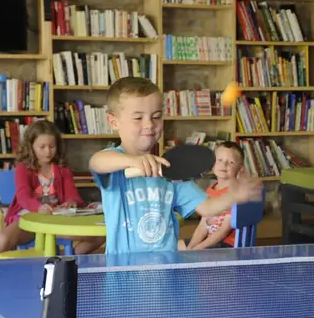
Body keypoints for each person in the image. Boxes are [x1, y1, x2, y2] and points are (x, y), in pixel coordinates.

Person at [89, 77, 260, 254]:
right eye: (138, 117)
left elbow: (206, 207)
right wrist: (132, 161)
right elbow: (97, 162)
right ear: (113, 122)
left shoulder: (171, 171)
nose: (149, 124)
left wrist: (234, 196)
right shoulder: (114, 167)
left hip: (165, 266)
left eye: (156, 116)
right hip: (123, 270)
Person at [0, 120, 98, 256]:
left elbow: (73, 196)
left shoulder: (63, 169)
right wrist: (38, 208)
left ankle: (68, 259)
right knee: (1, 241)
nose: (48, 152)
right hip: (29, 220)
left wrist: (71, 202)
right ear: (31, 147)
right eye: (42, 147)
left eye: (52, 146)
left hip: (57, 221)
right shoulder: (23, 168)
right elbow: (23, 197)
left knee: (101, 235)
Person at [183, 141, 247, 250]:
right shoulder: (210, 191)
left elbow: (224, 230)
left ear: (240, 168)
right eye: (219, 160)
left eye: (230, 162)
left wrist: (199, 248)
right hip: (210, 241)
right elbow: (203, 225)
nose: (224, 165)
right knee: (174, 247)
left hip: (227, 245)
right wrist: (191, 247)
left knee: (193, 255)